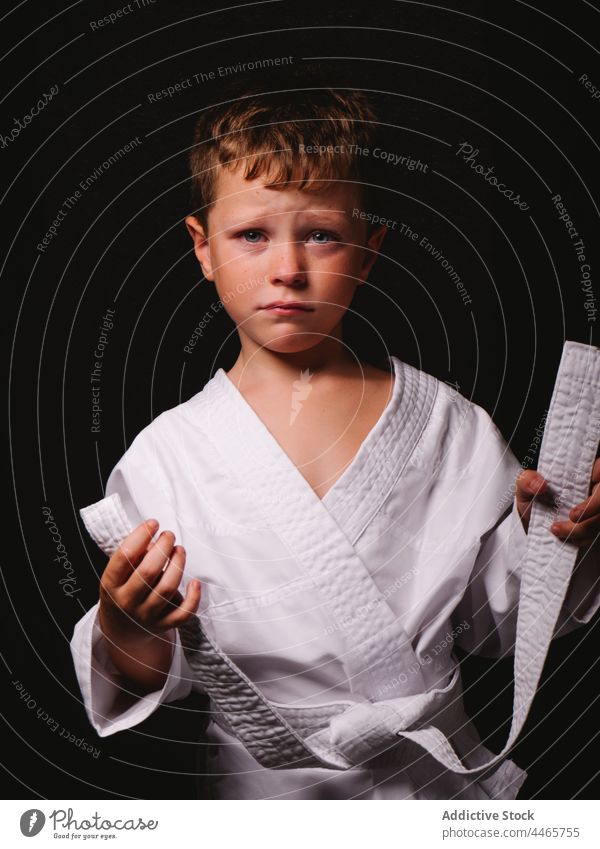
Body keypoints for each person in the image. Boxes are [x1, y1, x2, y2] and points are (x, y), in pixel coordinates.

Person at [70, 70, 600, 800]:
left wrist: (556, 534)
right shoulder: (167, 457)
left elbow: (497, 624)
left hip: (435, 793)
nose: (287, 269)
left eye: (321, 234)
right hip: (268, 802)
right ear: (202, 247)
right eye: (251, 235)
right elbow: (155, 665)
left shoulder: (449, 424)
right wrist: (127, 625)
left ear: (369, 250)